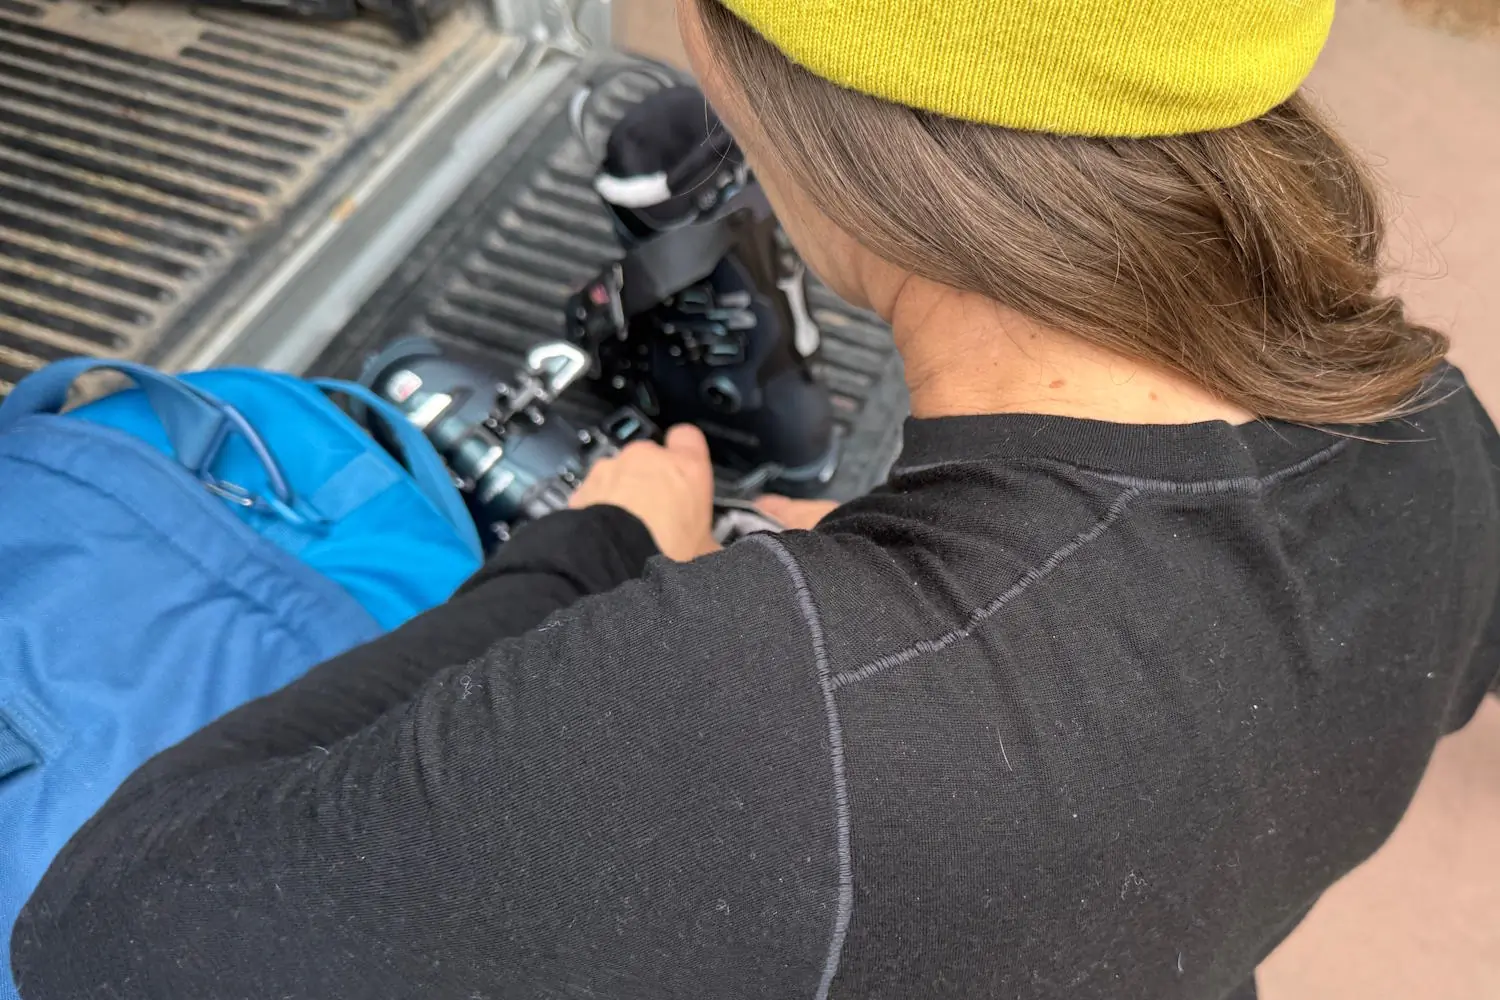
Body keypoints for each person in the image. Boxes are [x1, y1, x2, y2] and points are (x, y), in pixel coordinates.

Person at [12, 1, 1500, 997]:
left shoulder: (755, 719)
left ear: (793, 84)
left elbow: (105, 936)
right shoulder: (1428, 423)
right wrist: (891, 608)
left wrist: (597, 554)